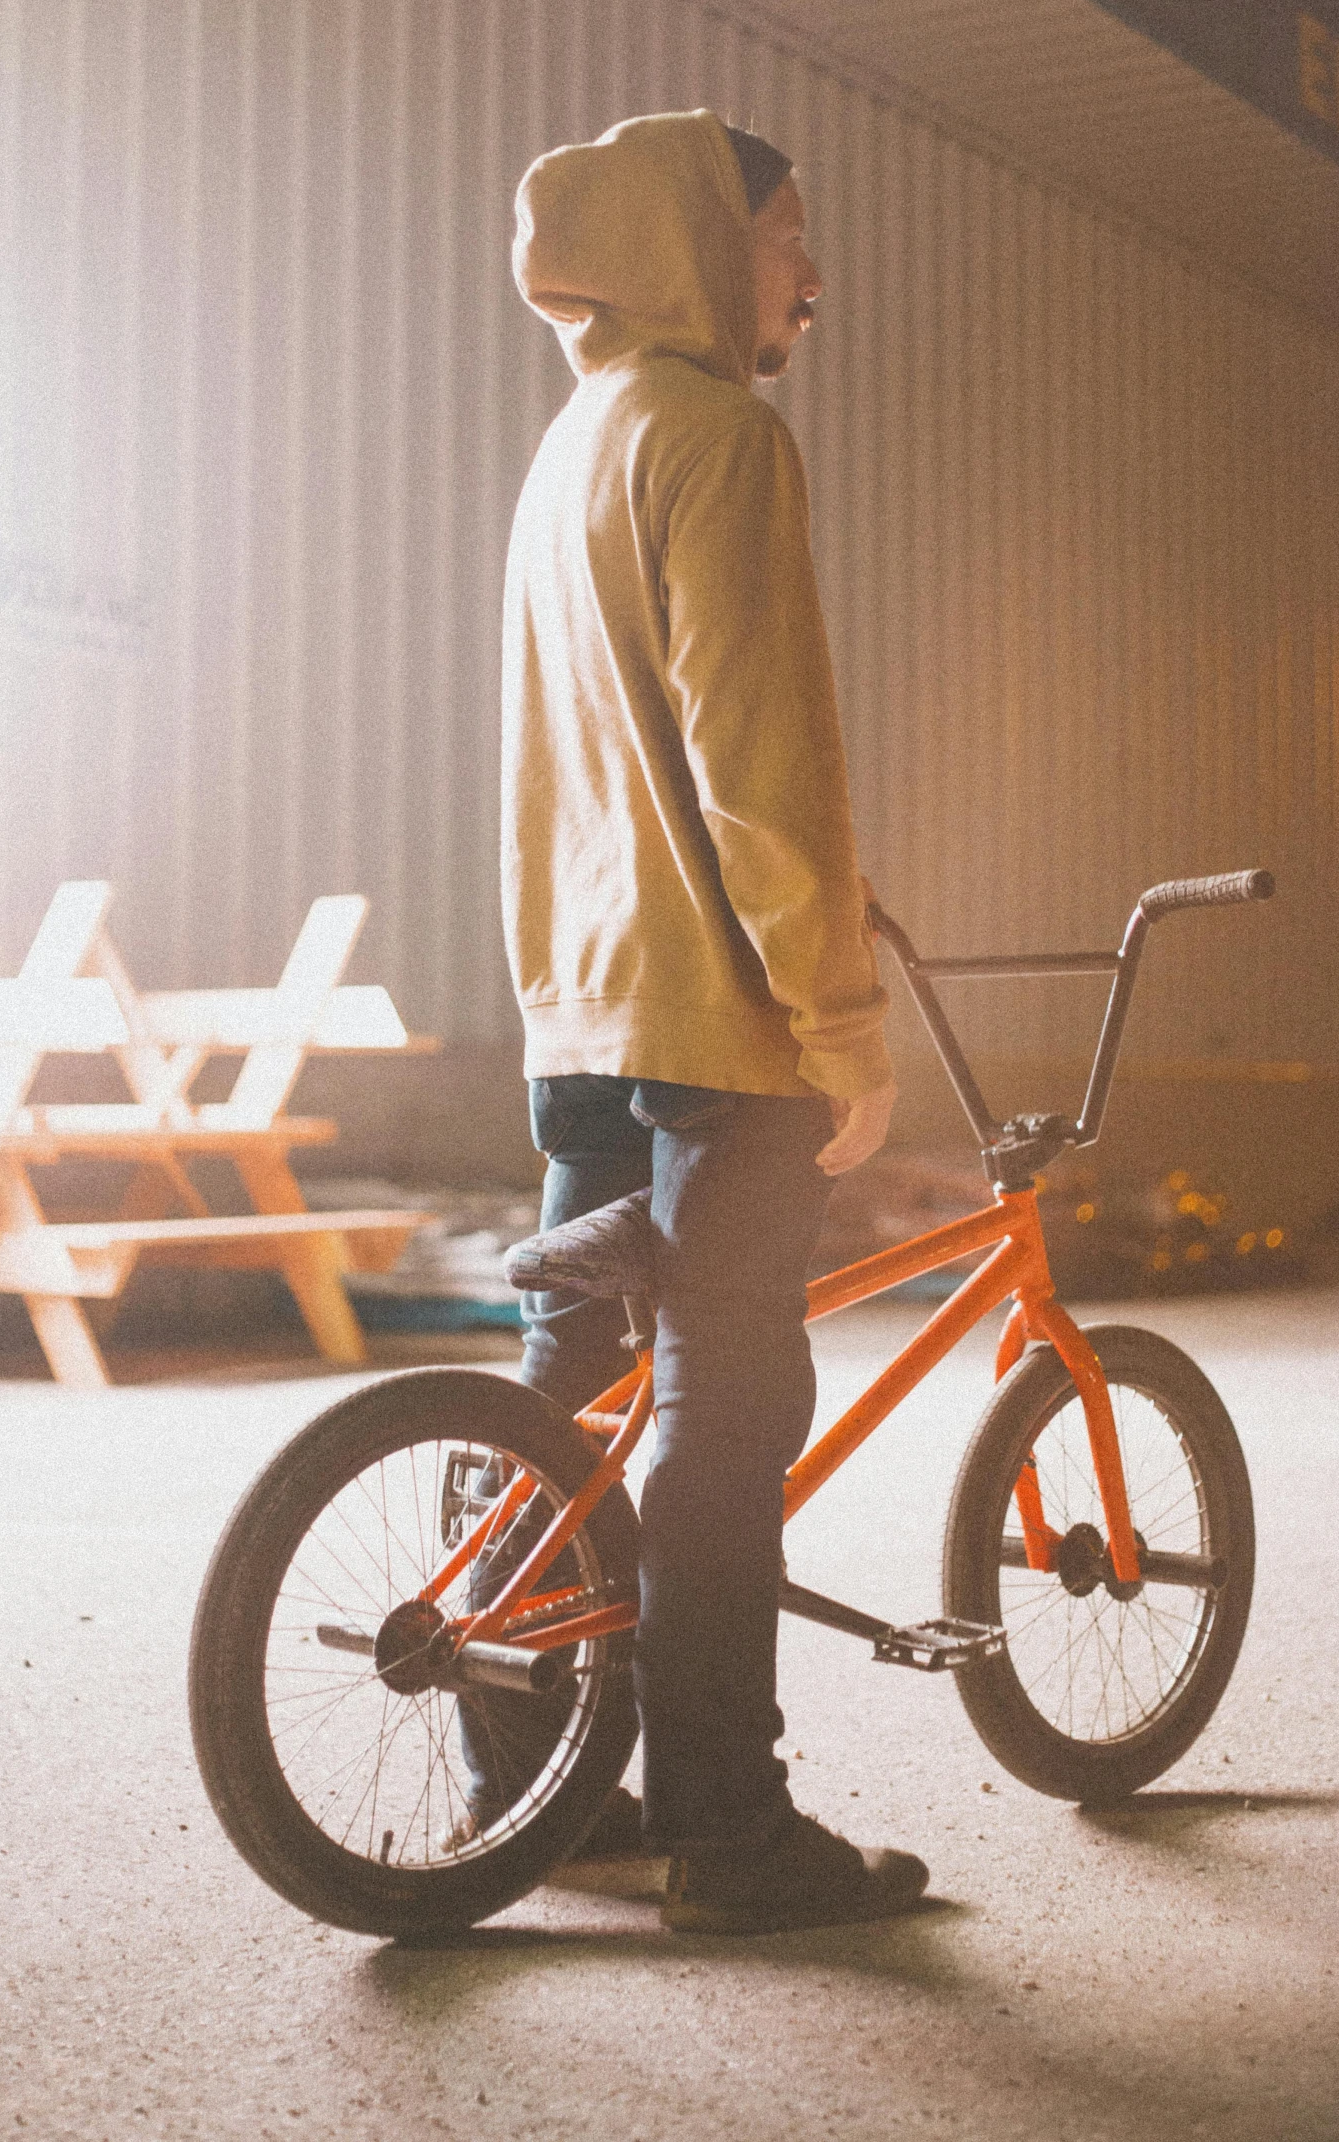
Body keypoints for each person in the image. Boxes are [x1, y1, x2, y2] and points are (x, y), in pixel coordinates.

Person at [492, 108, 928, 1934]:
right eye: (784, 241)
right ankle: (728, 1830)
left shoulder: (570, 444)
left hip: (583, 1001)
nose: (809, 279)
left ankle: (535, 1792)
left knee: (573, 1390)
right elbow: (759, 763)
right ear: (698, 241)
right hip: (715, 1012)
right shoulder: (716, 435)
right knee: (724, 1407)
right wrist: (841, 1016)